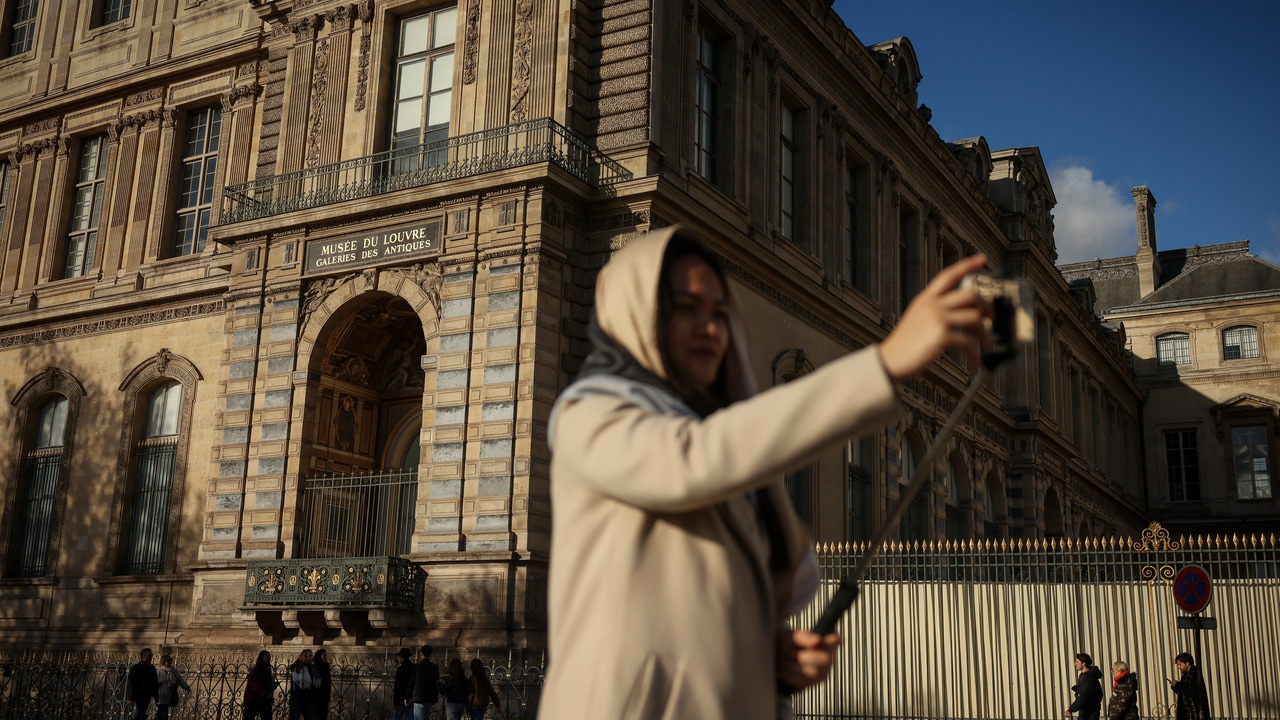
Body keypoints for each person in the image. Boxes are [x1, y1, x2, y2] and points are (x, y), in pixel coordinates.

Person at [539, 226, 991, 719]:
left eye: (719, 313)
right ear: (633, 313)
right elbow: (692, 462)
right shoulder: (588, 412)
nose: (710, 329)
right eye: (686, 308)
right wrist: (883, 364)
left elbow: (692, 601)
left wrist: (770, 653)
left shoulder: (716, 443)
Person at [1169, 651, 1212, 720]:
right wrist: (1174, 686)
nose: (1178, 667)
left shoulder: (1195, 674)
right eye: (1177, 665)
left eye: (1180, 664)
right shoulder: (1186, 675)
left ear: (1187, 663)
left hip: (1195, 713)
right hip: (1187, 713)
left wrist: (1177, 684)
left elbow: (1191, 692)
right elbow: (1183, 694)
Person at [1065, 652, 1103, 720]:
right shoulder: (1084, 675)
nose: (1075, 664)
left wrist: (1071, 710)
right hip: (1085, 711)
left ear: (1083, 663)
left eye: (1077, 662)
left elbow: (1084, 696)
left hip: (1090, 713)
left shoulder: (1090, 678)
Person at [155, 654, 191, 720]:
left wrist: (186, 687)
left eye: (170, 660)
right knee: (163, 713)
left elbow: (179, 679)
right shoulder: (159, 672)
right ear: (163, 662)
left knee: (161, 713)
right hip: (162, 696)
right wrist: (155, 696)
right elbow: (155, 684)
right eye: (168, 661)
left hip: (171, 695)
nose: (170, 662)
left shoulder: (173, 671)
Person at [126, 648, 159, 720]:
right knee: (142, 712)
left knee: (142, 712)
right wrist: (131, 698)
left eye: (151, 655)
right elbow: (131, 683)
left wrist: (156, 697)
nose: (151, 657)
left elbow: (154, 683)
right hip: (139, 694)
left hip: (148, 694)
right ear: (143, 656)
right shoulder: (136, 668)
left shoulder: (152, 669)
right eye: (149, 655)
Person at [244, 650, 277, 720]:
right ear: (261, 658)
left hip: (263, 700)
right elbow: (255, 685)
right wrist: (265, 694)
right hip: (253, 699)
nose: (268, 659)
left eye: (269, 657)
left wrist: (273, 685)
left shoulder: (267, 669)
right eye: (266, 657)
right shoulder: (257, 670)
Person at [412, 645, 441, 720]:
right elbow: (436, 679)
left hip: (419, 696)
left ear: (421, 654)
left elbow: (412, 681)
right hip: (429, 696)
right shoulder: (434, 667)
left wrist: (407, 696)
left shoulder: (417, 666)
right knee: (425, 716)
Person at [289, 649, 317, 720]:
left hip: (308, 698)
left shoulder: (312, 667)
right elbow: (296, 684)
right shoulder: (297, 667)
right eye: (310, 656)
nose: (312, 657)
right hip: (298, 698)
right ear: (304, 657)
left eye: (312, 655)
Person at [393, 647, 415, 720]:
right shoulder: (414, 667)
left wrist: (395, 703)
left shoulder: (401, 669)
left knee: (397, 717)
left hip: (402, 697)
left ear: (402, 657)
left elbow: (397, 686)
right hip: (412, 696)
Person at [313, 649, 333, 720]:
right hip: (316, 694)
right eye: (324, 655)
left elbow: (327, 681)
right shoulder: (315, 666)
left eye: (326, 655)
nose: (326, 657)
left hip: (324, 695)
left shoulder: (326, 666)